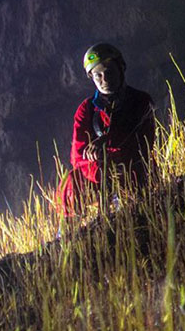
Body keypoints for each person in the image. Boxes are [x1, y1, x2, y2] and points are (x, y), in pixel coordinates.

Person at [56, 43, 155, 219]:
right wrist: (100, 171)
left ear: (121, 69)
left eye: (109, 72)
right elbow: (77, 157)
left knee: (135, 174)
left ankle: (130, 212)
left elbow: (142, 145)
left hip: (133, 174)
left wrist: (106, 144)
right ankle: (69, 230)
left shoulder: (141, 101)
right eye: (98, 75)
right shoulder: (86, 110)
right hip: (98, 175)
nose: (105, 80)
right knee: (70, 182)